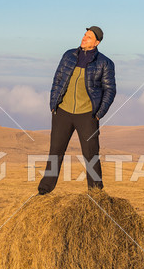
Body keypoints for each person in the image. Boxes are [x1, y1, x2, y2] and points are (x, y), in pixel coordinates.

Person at [38, 26, 116, 195]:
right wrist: (54, 104)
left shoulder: (105, 63)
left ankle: (96, 193)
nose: (84, 38)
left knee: (91, 155)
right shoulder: (68, 55)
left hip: (87, 115)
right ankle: (44, 190)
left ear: (96, 42)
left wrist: (98, 114)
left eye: (89, 37)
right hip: (63, 112)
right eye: (84, 35)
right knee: (55, 153)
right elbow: (57, 79)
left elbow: (110, 90)